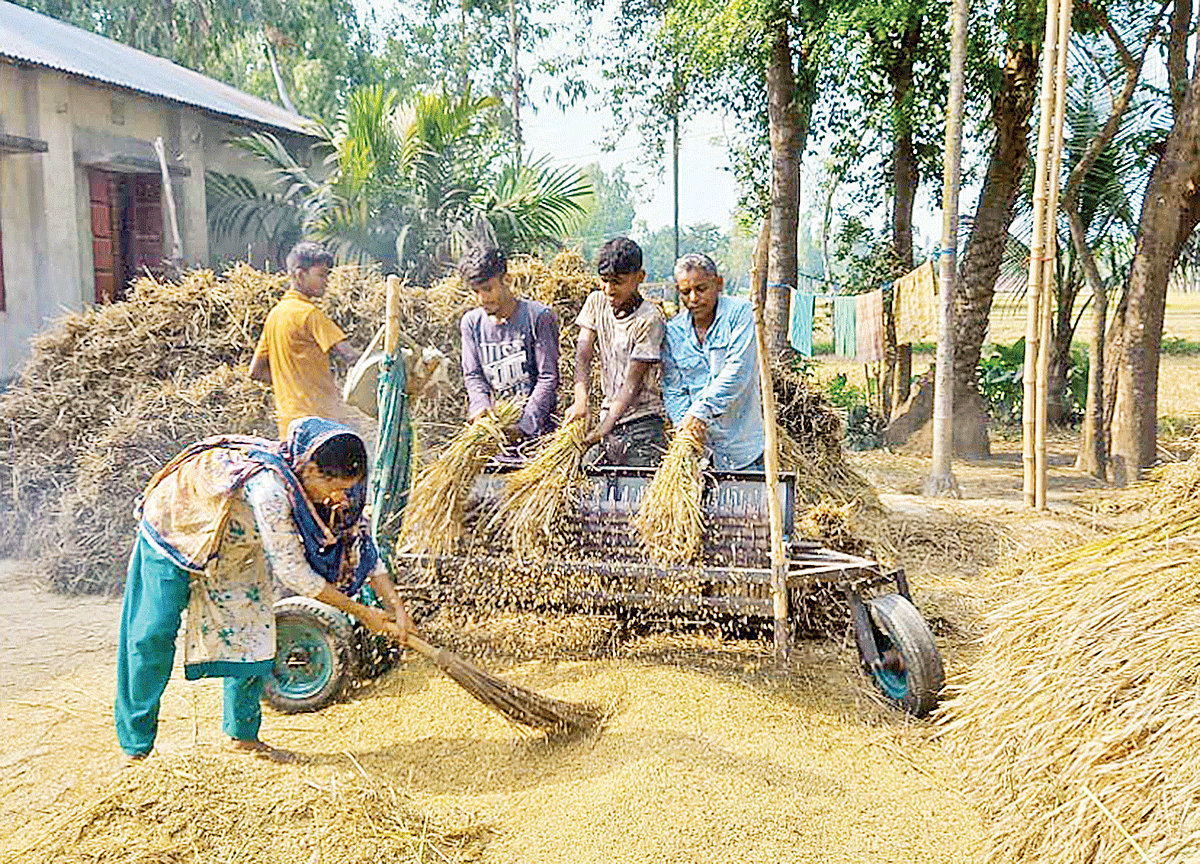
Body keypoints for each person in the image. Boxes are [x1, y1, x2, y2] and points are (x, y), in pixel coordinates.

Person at [114, 418, 411, 762]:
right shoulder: (270, 488)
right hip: (179, 526)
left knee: (253, 630)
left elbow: (362, 547)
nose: (340, 498)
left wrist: (397, 608)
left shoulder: (335, 487)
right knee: (152, 633)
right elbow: (295, 574)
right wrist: (363, 613)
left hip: (236, 544)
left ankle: (242, 736)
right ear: (310, 468)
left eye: (348, 488)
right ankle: (136, 748)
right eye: (335, 488)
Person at [249, 242, 374, 448]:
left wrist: (293, 383)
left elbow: (256, 371)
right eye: (321, 275)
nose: (326, 282)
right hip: (321, 425)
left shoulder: (275, 316)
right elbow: (350, 356)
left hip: (289, 428)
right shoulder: (310, 315)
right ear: (299, 275)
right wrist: (390, 358)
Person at [564, 237, 667, 466]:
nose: (609, 290)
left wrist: (602, 431)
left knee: (635, 492)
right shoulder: (595, 302)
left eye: (618, 282)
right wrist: (581, 399)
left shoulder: (649, 319)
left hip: (642, 426)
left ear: (640, 278)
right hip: (608, 418)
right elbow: (583, 355)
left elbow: (632, 384)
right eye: (604, 281)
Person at [661, 253, 765, 470]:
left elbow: (737, 371)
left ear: (718, 284)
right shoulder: (673, 331)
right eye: (685, 292)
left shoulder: (740, 314)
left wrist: (698, 413)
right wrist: (685, 427)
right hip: (699, 454)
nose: (693, 299)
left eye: (701, 289)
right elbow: (673, 388)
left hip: (742, 450)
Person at [458, 245, 560, 441]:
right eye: (475, 291)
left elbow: (548, 377)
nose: (481, 299)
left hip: (537, 437)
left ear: (507, 280)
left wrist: (524, 426)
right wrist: (481, 407)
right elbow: (473, 375)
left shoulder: (537, 317)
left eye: (488, 289)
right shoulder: (471, 323)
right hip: (496, 436)